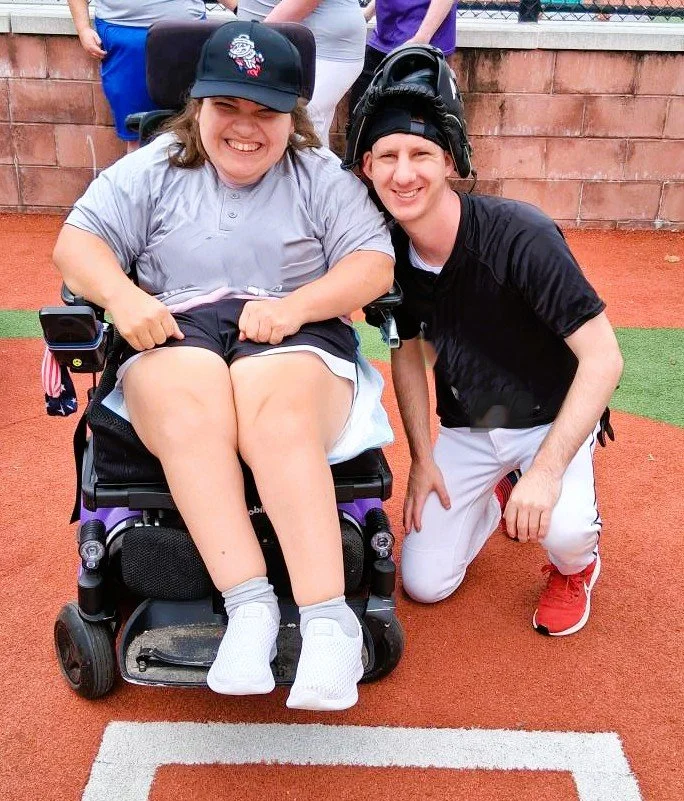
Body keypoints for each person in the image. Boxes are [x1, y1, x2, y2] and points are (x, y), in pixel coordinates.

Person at [52, 20, 395, 709]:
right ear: (198, 106)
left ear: (291, 114)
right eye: (226, 106)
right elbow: (76, 244)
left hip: (292, 329)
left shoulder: (319, 177)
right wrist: (122, 296)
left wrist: (300, 305)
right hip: (178, 327)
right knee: (190, 392)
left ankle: (327, 622)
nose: (245, 127)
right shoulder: (152, 169)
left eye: (264, 110)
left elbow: (372, 263)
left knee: (269, 396)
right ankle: (251, 606)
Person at [344, 44, 624, 637]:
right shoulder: (383, 255)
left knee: (565, 529)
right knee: (423, 584)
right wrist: (423, 459)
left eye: (420, 153)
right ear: (366, 166)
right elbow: (408, 354)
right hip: (470, 428)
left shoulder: (522, 235)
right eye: (386, 155)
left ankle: (576, 568)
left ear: (450, 160)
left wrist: (546, 471)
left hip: (549, 421)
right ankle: (496, 490)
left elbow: (603, 359)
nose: (403, 172)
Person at [67, 0, 236, 151]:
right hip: (126, 36)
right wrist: (83, 29)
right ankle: (139, 184)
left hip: (184, 34)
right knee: (138, 131)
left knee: (194, 128)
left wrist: (241, 9)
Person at [237, 0, 366, 147]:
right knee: (310, 128)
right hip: (283, 43)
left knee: (299, 126)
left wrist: (254, 41)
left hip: (322, 49)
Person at [347, 0, 457, 119]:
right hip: (383, 40)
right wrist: (366, 14)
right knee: (359, 116)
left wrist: (421, 38)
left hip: (422, 50)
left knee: (415, 125)